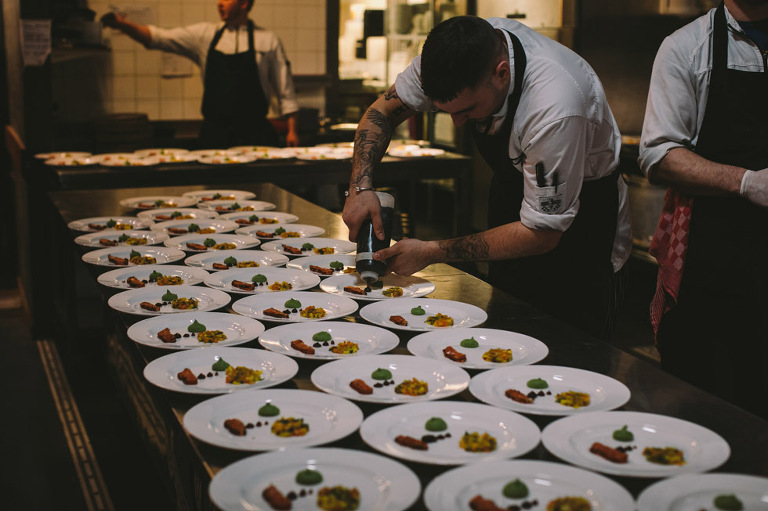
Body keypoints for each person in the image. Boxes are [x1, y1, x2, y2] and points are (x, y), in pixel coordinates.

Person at [342, 16, 632, 340]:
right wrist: (359, 187)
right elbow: (381, 111)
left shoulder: (554, 106)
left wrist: (433, 251)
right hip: (514, 200)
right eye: (446, 110)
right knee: (505, 330)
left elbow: (543, 234)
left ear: (501, 74)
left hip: (582, 232)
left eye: (467, 110)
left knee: (575, 345)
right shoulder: (450, 55)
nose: (457, 122)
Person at [639, 0, 768, 418]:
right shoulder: (687, 47)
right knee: (706, 406)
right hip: (715, 266)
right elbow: (659, 155)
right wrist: (747, 182)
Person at [100, 0, 299, 148]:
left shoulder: (268, 40)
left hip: (255, 136)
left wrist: (292, 131)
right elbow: (159, 38)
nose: (219, 3)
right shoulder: (204, 35)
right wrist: (123, 25)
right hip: (215, 137)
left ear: (244, 3)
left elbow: (285, 89)